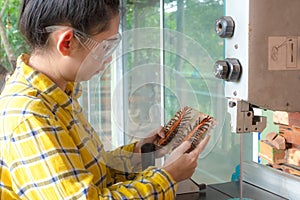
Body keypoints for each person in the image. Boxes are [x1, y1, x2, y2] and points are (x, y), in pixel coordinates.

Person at [0, 0, 210, 199]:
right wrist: (169, 176)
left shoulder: (58, 96)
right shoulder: (29, 116)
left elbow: (87, 173)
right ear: (67, 42)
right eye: (105, 47)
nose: (108, 58)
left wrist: (140, 152)